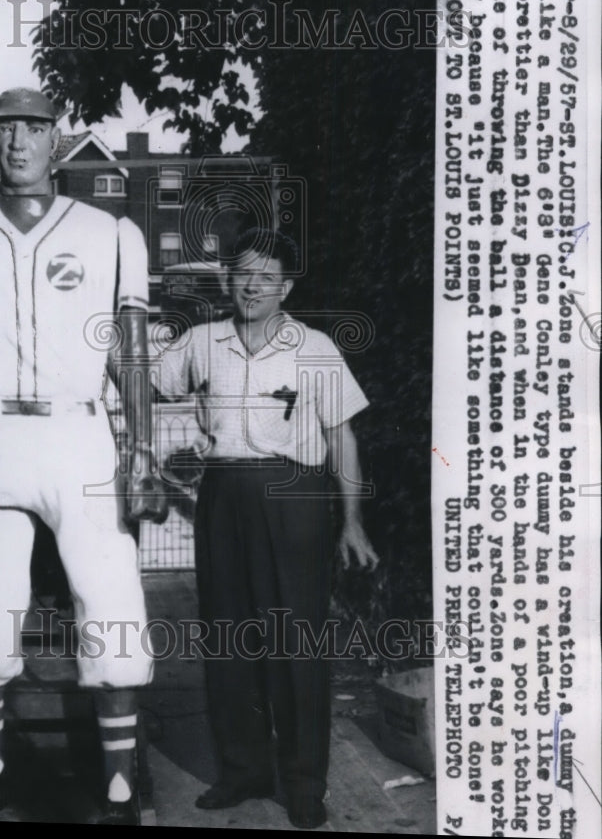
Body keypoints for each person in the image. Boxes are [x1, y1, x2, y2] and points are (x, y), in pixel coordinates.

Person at [0, 87, 166, 824]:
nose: (18, 143)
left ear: (55, 139)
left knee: (114, 599)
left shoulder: (109, 231)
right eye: (5, 130)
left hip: (77, 431)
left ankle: (119, 773)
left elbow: (130, 350)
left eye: (33, 128)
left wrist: (144, 445)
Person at [154, 227, 379, 830]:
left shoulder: (316, 348)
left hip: (295, 497)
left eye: (266, 276)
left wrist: (351, 522)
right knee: (229, 638)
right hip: (222, 497)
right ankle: (243, 770)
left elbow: (342, 437)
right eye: (242, 274)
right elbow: (141, 385)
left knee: (296, 643)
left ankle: (304, 782)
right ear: (227, 280)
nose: (253, 285)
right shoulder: (200, 342)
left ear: (287, 285)